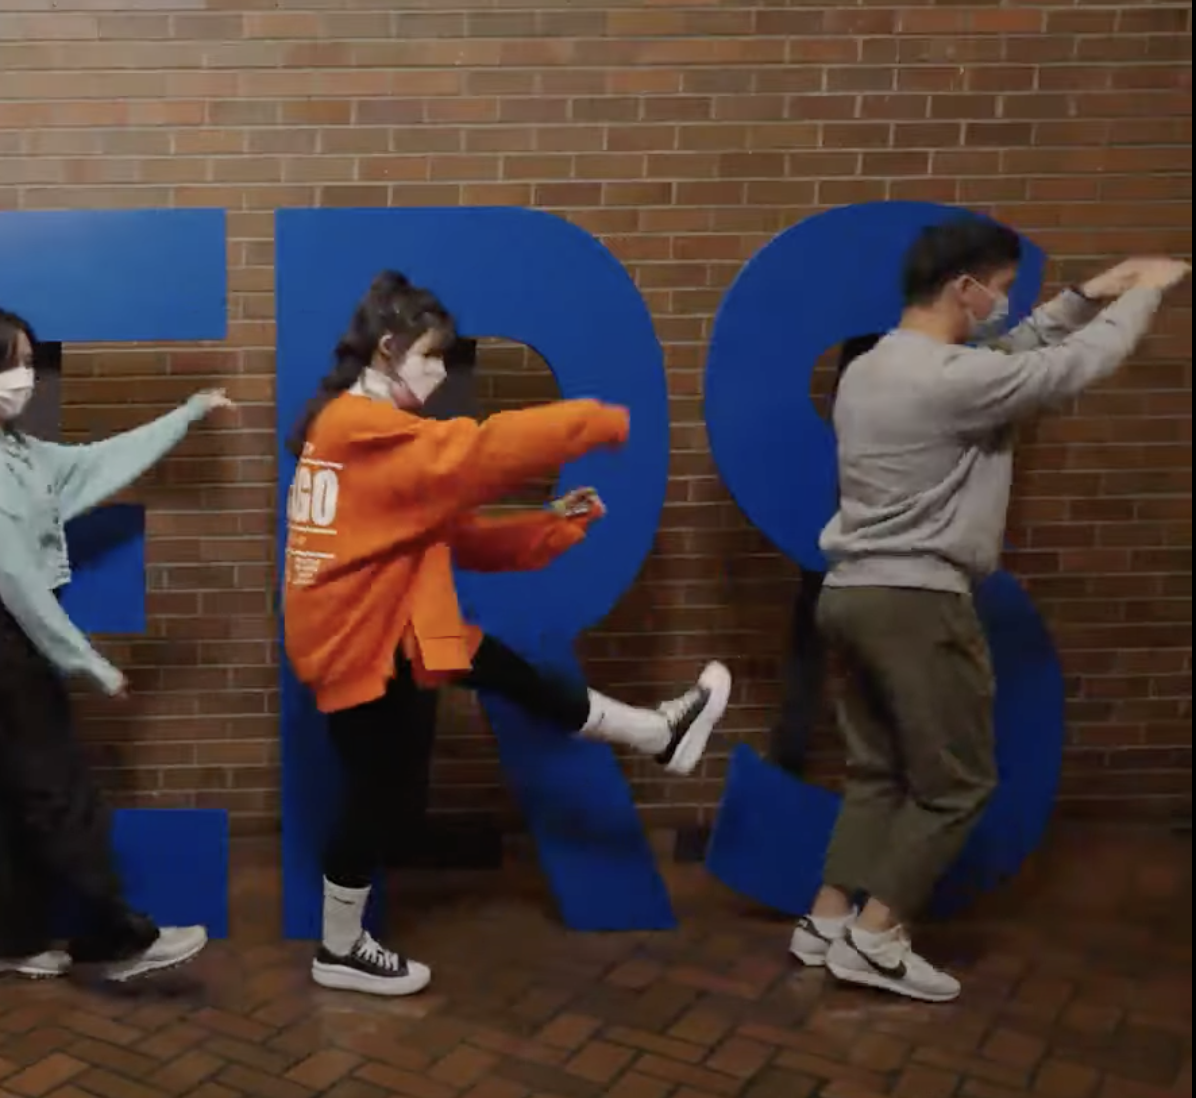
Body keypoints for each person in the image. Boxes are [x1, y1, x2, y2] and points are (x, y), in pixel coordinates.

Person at [280, 271, 730, 998]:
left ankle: (655, 734)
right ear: (389, 348)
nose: (436, 375)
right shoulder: (359, 427)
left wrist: (555, 522)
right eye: (430, 358)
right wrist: (597, 422)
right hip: (365, 640)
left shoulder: (357, 427)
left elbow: (461, 536)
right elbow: (479, 453)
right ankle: (338, 950)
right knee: (376, 796)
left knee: (506, 678)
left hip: (395, 626)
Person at [792, 220, 1189, 1003]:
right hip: (916, 603)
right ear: (961, 289)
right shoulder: (949, 381)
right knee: (958, 783)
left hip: (851, 596)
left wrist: (1085, 294)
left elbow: (1015, 352)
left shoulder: (874, 369)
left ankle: (828, 918)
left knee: (877, 771)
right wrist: (1144, 292)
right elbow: (1074, 367)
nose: (1005, 305)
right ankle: (876, 938)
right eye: (1000, 290)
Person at [0, 305, 224, 984]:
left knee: (12, 791)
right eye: (9, 362)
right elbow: (16, 577)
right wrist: (84, 658)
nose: (23, 377)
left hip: (2, 623)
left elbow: (92, 465)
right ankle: (113, 940)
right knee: (57, 786)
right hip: (0, 624)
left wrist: (183, 416)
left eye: (30, 362)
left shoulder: (12, 446)